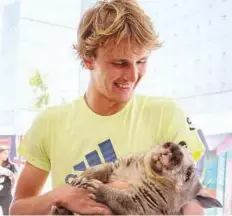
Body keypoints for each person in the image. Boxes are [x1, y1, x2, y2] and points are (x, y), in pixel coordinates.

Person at [10, 0, 205, 215]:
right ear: (88, 60)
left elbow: (191, 202)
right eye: (120, 63)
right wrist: (60, 195)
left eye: (141, 61)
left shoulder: (166, 115)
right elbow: (18, 209)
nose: (132, 76)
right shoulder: (50, 123)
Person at [0, 145, 17, 215]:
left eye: (7, 153)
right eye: (4, 153)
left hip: (6, 195)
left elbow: (14, 180)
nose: (6, 155)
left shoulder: (11, 165)